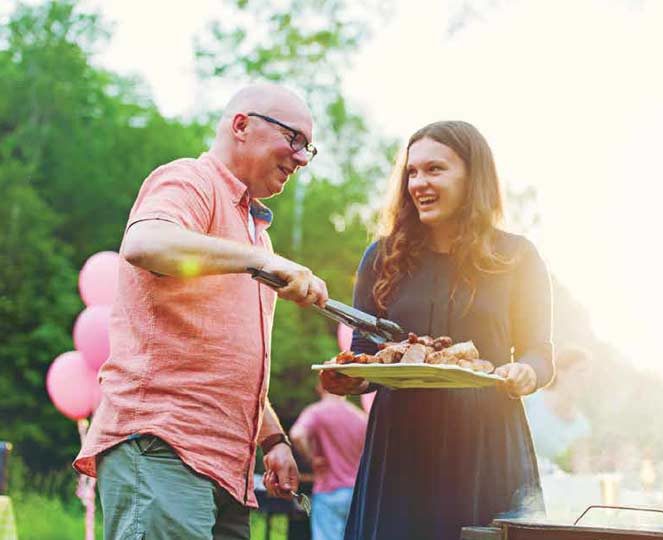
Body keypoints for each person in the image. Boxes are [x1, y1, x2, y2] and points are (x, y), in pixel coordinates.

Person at [73, 82, 329, 540]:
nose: (301, 158)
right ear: (241, 126)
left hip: (227, 470)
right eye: (294, 139)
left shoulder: (257, 235)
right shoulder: (190, 180)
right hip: (161, 448)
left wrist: (272, 438)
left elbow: (225, 357)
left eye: (308, 147)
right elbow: (145, 242)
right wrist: (262, 262)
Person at [320, 120, 555, 540]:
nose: (418, 183)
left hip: (486, 442)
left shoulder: (517, 257)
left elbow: (540, 352)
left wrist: (526, 373)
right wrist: (349, 378)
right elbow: (365, 353)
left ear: (473, 176)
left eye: (435, 170)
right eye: (412, 172)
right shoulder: (382, 257)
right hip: (402, 447)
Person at [290, 383, 367, 540]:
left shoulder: (316, 412)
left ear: (320, 386)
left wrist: (311, 458)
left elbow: (297, 434)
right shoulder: (360, 417)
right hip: (357, 494)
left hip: (328, 491)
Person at [523, 346, 593, 474]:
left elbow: (582, 471)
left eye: (588, 375)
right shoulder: (530, 400)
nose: (585, 380)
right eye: (580, 372)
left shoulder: (581, 426)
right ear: (560, 374)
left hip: (546, 488)